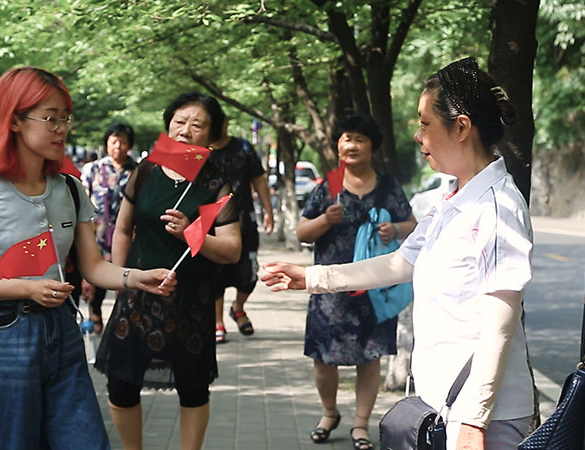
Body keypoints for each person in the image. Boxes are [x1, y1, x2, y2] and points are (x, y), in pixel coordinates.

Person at [262, 57, 534, 450]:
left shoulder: (498, 207)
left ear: (461, 127)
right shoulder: (451, 198)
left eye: (425, 124)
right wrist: (313, 277)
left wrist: (474, 422)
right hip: (442, 403)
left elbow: (500, 319)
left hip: (482, 416)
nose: (417, 136)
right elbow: (401, 262)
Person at [0, 66, 175, 449]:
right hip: (3, 335)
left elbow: (93, 266)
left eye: (65, 118)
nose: (61, 128)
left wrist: (137, 277)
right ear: (14, 121)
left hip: (63, 330)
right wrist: (25, 289)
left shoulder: (68, 186)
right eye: (50, 118)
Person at [95, 92, 242, 450]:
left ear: (211, 134)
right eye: (179, 121)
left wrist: (192, 232)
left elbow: (232, 249)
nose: (186, 130)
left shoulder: (215, 184)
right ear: (169, 124)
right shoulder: (145, 171)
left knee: (193, 388)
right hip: (139, 294)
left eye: (197, 124)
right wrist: (120, 277)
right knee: (122, 384)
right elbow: (123, 229)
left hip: (190, 299)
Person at [295, 115, 416, 447]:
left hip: (374, 288)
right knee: (323, 358)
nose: (352, 145)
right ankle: (329, 412)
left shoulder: (388, 186)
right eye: (346, 138)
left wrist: (396, 230)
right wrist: (324, 219)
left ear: (372, 147)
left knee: (370, 357)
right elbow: (302, 232)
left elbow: (413, 224)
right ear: (337, 145)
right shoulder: (329, 185)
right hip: (330, 288)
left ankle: (361, 424)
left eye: (360, 139)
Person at [209, 119, 274, 343]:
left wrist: (268, 211)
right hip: (211, 226)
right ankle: (217, 321)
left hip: (245, 221)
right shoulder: (200, 150)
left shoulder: (243, 148)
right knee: (214, 275)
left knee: (249, 273)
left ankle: (238, 308)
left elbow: (259, 180)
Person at [80, 122, 138, 333]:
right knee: (97, 279)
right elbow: (82, 202)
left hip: (127, 235)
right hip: (98, 235)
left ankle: (124, 320)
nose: (118, 146)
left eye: (123, 142)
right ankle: (96, 318)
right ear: (107, 143)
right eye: (114, 141)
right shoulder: (93, 169)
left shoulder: (137, 171)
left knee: (125, 278)